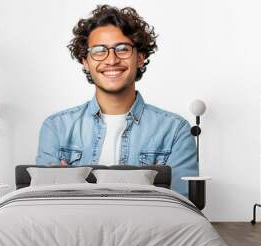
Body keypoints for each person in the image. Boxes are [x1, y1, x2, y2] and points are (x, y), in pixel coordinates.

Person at [35, 5, 198, 196]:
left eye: (122, 49)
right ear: (85, 62)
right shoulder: (56, 128)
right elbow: (42, 204)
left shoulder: (174, 131)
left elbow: (182, 206)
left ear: (140, 58)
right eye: (98, 50)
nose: (111, 60)